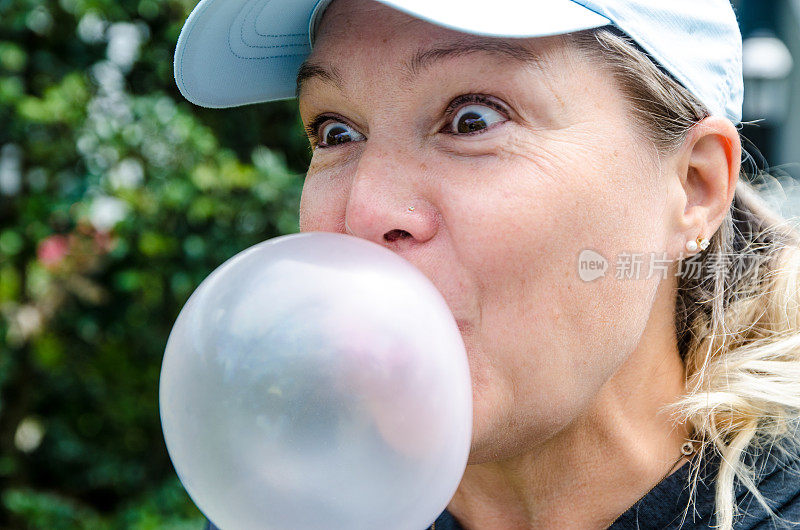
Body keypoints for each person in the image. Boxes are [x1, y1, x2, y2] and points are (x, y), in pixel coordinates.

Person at [174, 0, 800, 528]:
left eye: (472, 119)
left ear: (693, 187)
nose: (362, 213)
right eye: (336, 131)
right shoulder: (298, 502)